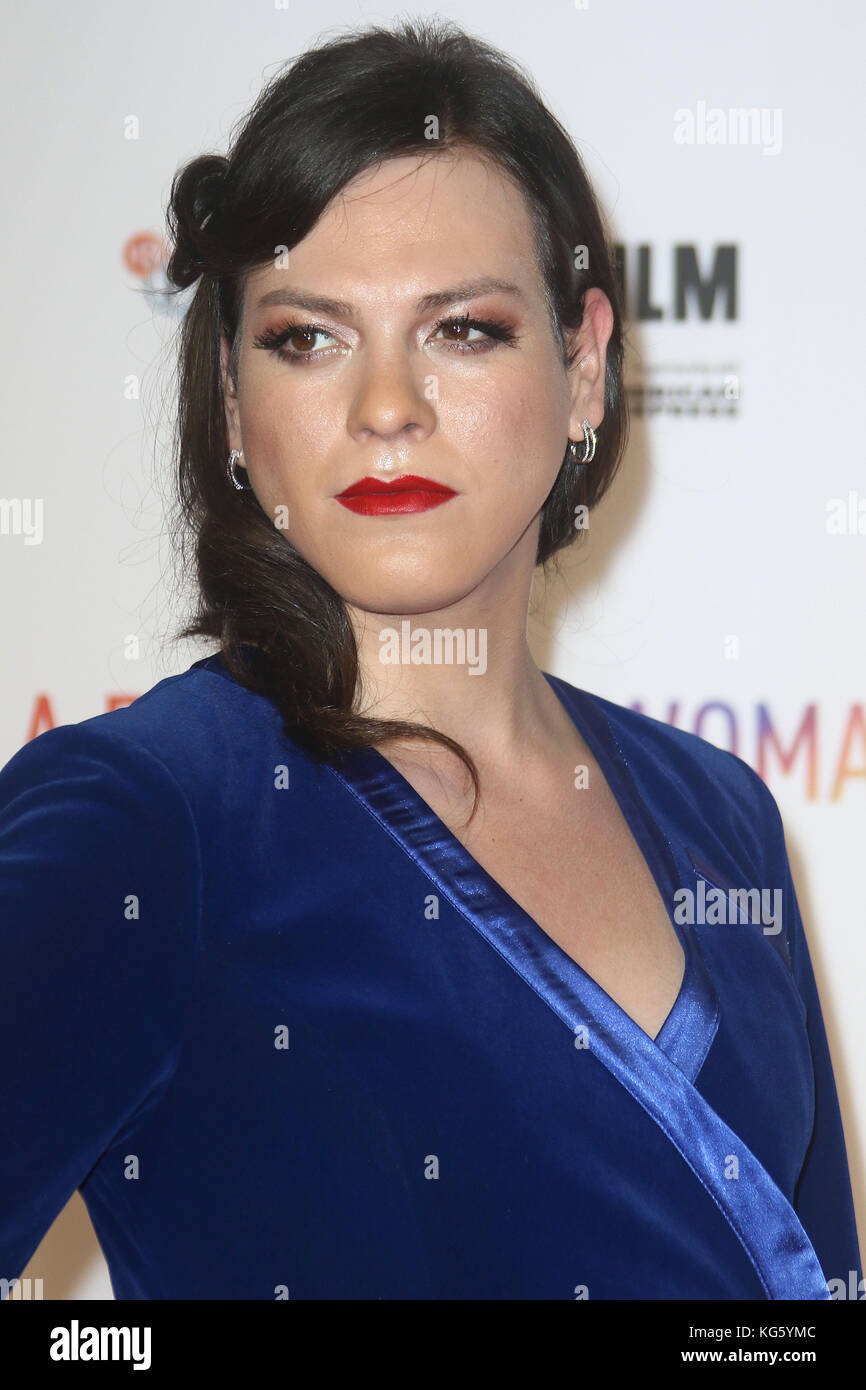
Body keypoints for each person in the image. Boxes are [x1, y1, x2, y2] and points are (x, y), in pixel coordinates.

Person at [0, 18, 860, 1301]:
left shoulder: (719, 815)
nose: (385, 407)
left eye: (461, 329)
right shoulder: (151, 815)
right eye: (308, 337)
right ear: (235, 408)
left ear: (581, 368)